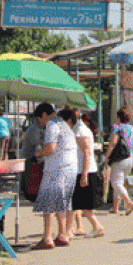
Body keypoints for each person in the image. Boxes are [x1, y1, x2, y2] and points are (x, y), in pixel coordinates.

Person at [30, 104, 78, 250]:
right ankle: (62, 234)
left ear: (44, 114)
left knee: (49, 200)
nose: (40, 123)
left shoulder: (52, 124)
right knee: (62, 201)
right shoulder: (63, 123)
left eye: (39, 119)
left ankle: (47, 238)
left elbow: (51, 148)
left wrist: (37, 154)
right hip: (71, 167)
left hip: (57, 167)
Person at [70, 110, 105, 237]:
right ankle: (93, 226)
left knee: (80, 203)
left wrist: (84, 174)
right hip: (83, 169)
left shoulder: (80, 130)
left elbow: (86, 153)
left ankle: (97, 226)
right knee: (78, 203)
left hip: (84, 170)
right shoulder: (80, 129)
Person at [103, 107, 133, 215]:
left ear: (119, 117)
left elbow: (113, 143)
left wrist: (106, 158)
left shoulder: (117, 127)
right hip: (130, 158)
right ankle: (115, 208)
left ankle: (129, 202)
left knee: (116, 183)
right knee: (119, 183)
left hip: (119, 158)